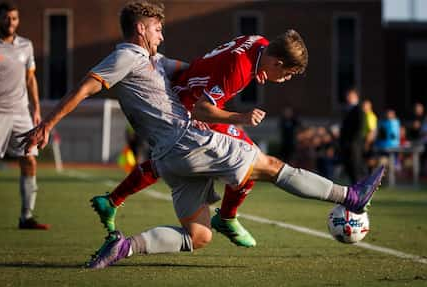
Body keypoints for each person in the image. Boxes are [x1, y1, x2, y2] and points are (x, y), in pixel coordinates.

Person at [19, 0, 384, 269]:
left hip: (169, 158)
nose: (162, 34)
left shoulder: (154, 61)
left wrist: (244, 71)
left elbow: (193, 69)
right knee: (270, 165)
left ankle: (123, 248)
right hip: (187, 140)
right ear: (141, 29)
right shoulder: (127, 57)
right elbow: (86, 86)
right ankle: (349, 195)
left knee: (199, 236)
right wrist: (47, 124)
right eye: (158, 28)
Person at [90, 30, 301, 248]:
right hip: (191, 106)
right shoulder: (240, 67)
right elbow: (208, 102)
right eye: (288, 74)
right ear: (277, 62)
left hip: (189, 93)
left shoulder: (259, 42)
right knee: (250, 157)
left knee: (168, 159)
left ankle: (113, 200)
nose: (286, 79)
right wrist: (242, 117)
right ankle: (227, 218)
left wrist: (259, 69)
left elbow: (236, 60)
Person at [0, 2, 49, 230]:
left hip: (21, 112)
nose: (11, 22)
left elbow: (30, 79)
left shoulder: (26, 46)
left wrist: (36, 109)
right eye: (7, 17)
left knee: (29, 159)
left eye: (15, 18)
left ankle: (26, 217)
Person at [339, 88, 364, 184]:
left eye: (350, 95)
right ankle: (354, 186)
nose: (347, 97)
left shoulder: (358, 109)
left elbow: (359, 128)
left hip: (354, 144)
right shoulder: (347, 109)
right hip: (346, 143)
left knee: (355, 165)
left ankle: (358, 186)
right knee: (348, 165)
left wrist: (353, 142)